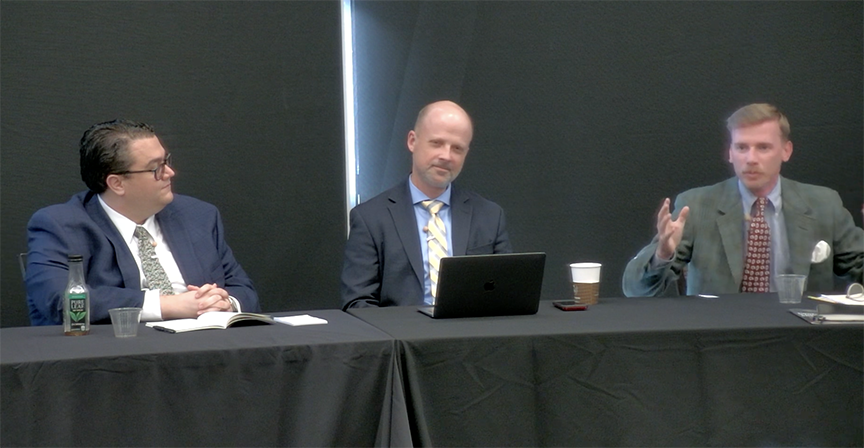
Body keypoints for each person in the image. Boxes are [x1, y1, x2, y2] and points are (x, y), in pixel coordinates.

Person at [26, 120, 259, 325]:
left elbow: (244, 290)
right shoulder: (61, 225)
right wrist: (166, 306)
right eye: (156, 168)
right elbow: (58, 300)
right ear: (117, 183)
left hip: (206, 354)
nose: (170, 172)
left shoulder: (198, 215)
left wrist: (225, 303)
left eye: (166, 161)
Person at [623, 103, 864, 297]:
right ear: (730, 153)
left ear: (786, 151)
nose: (750, 158)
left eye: (763, 147)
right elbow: (635, 289)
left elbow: (859, 268)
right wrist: (662, 255)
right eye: (741, 147)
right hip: (721, 340)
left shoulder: (824, 204)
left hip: (802, 339)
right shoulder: (696, 205)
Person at [341, 100, 512, 308]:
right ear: (412, 141)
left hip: (469, 337)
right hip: (402, 337)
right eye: (437, 143)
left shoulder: (490, 216)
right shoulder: (371, 219)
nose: (446, 156)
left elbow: (505, 297)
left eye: (457, 148)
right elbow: (358, 303)